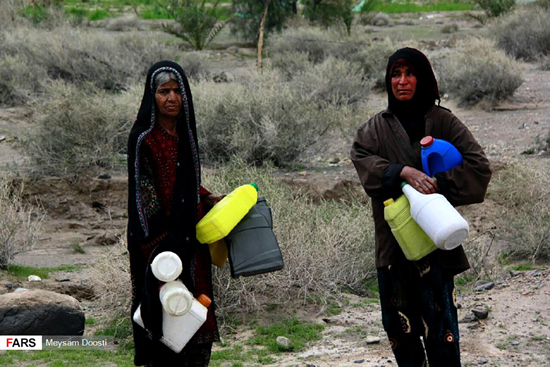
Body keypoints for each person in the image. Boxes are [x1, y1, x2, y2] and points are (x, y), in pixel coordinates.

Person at [350, 48, 492, 366]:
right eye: (395, 74)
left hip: (436, 244)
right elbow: (362, 160)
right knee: (400, 330)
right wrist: (403, 172)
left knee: (441, 331)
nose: (402, 82)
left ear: (423, 78)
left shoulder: (443, 121)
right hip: (393, 247)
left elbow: (479, 168)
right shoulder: (375, 129)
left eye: (410, 73)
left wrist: (437, 183)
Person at [127, 60, 222, 366]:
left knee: (195, 311)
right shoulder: (144, 139)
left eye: (177, 91)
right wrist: (161, 247)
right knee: (163, 315)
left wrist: (208, 199)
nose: (171, 98)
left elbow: (188, 183)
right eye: (163, 91)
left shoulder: (187, 136)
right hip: (157, 245)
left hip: (192, 239)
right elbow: (144, 196)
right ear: (151, 96)